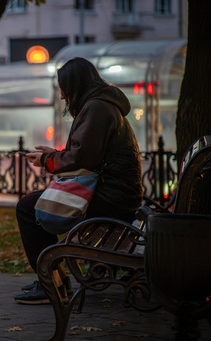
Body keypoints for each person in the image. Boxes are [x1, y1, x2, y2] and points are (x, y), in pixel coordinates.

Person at [14, 57, 143, 304]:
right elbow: (86, 153)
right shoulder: (101, 105)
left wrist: (47, 160)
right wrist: (52, 155)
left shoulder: (97, 108)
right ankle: (54, 279)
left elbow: (84, 156)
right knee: (34, 206)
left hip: (110, 198)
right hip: (115, 194)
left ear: (75, 85)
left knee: (27, 209)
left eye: (64, 88)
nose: (63, 96)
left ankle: (51, 284)